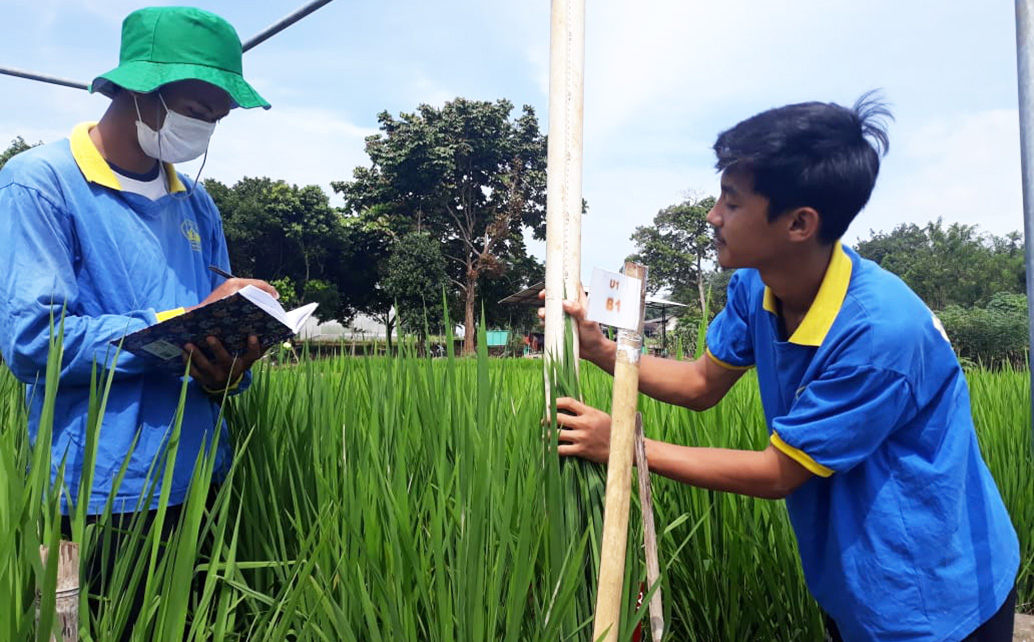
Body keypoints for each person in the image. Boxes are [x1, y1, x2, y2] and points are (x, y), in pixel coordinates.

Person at [550, 94, 1019, 642]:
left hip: (930, 594)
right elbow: (701, 383)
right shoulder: (757, 285)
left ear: (799, 223)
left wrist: (626, 448)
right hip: (854, 577)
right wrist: (602, 352)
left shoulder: (878, 335)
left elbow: (779, 473)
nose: (713, 216)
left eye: (732, 201)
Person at [0, 4, 275, 618]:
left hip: (198, 479)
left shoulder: (196, 204)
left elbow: (211, 323)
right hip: (90, 492)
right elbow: (34, 342)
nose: (206, 127)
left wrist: (228, 367)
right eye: (198, 109)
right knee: (85, 626)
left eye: (218, 117)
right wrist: (173, 327)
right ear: (139, 90)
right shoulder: (40, 183)